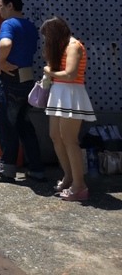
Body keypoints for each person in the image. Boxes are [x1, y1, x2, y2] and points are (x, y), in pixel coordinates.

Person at [0, 0, 44, 182]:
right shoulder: (30, 26)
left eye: (0, 6)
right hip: (27, 80)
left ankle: (7, 169)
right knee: (24, 125)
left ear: (10, 6)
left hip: (10, 83)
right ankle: (36, 169)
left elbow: (6, 43)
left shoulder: (9, 24)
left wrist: (1, 61)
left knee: (4, 126)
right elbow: (21, 49)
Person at [40, 17, 96, 201]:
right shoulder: (65, 46)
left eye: (48, 36)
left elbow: (71, 74)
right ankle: (69, 176)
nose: (47, 41)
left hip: (71, 94)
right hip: (60, 94)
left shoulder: (74, 46)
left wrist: (50, 73)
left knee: (70, 140)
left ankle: (79, 185)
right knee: (56, 137)